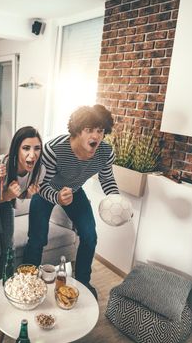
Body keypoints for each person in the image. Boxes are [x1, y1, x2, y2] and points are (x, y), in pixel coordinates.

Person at [22, 104, 119, 299]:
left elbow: (107, 179)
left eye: (100, 131)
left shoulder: (106, 153)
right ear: (77, 131)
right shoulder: (53, 149)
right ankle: (28, 283)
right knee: (37, 239)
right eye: (89, 130)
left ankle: (83, 281)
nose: (96, 136)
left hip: (74, 191)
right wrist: (57, 197)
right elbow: (40, 183)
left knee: (90, 235)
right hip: (46, 191)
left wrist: (117, 200)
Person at [0, 126, 45, 293]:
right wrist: (8, 195)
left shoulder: (39, 169)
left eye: (37, 148)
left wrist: (27, 195)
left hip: (5, 202)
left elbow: (19, 195)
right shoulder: (1, 165)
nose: (32, 154)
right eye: (26, 148)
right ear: (16, 149)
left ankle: (8, 287)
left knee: (8, 246)